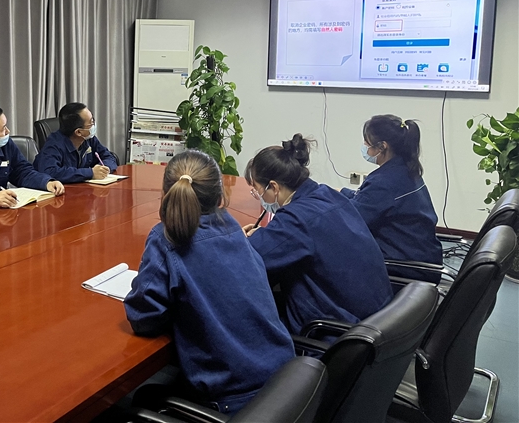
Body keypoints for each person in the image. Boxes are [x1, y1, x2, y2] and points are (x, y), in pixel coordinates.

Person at [124, 150, 295, 415]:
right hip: (285, 381)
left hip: (235, 400)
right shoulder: (230, 224)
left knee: (138, 400)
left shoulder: (166, 237)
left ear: (166, 194)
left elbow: (143, 318)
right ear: (220, 196)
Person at [243, 134, 392, 336]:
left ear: (274, 187)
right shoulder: (327, 194)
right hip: (378, 318)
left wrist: (242, 239)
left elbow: (247, 260)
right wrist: (268, 235)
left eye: (258, 191)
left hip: (338, 334)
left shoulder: (295, 220)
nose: (259, 197)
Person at [340, 115, 442, 282]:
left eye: (367, 143)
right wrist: (340, 192)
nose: (365, 147)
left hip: (404, 268)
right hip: (423, 258)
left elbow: (351, 219)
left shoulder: (384, 182)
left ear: (382, 147)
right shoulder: (405, 169)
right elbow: (370, 201)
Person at [33, 103, 117, 183]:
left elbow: (110, 157)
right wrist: (90, 173)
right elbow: (50, 172)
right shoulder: (54, 145)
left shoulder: (89, 139)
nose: (93, 125)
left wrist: (103, 169)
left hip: (82, 188)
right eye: (91, 122)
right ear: (79, 132)